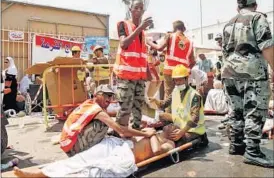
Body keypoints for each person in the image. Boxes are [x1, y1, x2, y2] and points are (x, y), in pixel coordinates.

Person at [222, 0, 274, 167]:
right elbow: (266, 45)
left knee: (235, 110)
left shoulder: (228, 23)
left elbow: (224, 51)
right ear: (255, 5)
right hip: (252, 73)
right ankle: (252, 152)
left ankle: (236, 145)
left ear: (238, 8)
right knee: (254, 110)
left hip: (229, 72)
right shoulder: (258, 18)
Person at [13, 127, 175, 178]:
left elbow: (157, 151)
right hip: (119, 145)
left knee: (93, 170)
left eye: (172, 125)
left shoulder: (169, 143)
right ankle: (40, 173)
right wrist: (142, 132)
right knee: (82, 159)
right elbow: (130, 135)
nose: (169, 126)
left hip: (128, 156)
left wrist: (151, 134)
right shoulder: (156, 131)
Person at [60, 84, 156, 157]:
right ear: (97, 95)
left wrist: (131, 119)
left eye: (111, 96)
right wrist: (145, 134)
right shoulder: (97, 110)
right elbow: (121, 131)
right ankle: (86, 152)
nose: (110, 99)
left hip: (69, 143)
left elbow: (112, 115)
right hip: (72, 148)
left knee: (110, 124)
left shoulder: (91, 104)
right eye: (107, 95)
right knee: (104, 124)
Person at [113, 0, 153, 129]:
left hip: (139, 77)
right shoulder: (123, 25)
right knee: (125, 107)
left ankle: (134, 131)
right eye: (136, 8)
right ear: (130, 10)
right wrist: (140, 28)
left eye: (141, 8)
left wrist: (148, 72)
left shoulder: (143, 33)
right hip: (126, 75)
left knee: (138, 107)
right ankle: (119, 133)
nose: (139, 10)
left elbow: (142, 55)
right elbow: (124, 44)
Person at [149, 64, 208, 147]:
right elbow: (164, 104)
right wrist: (155, 101)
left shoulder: (194, 95)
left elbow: (195, 119)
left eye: (180, 80)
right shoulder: (176, 91)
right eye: (176, 80)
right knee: (162, 116)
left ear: (186, 79)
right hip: (180, 122)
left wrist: (181, 132)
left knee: (178, 140)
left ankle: (200, 137)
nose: (178, 83)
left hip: (193, 128)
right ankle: (175, 132)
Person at [147, 20, 195, 113]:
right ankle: (182, 117)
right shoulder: (189, 42)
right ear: (184, 29)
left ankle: (169, 119)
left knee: (169, 96)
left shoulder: (170, 36)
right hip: (182, 74)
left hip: (170, 72)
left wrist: (149, 42)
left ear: (174, 28)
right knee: (182, 95)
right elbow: (193, 62)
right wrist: (187, 70)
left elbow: (159, 47)